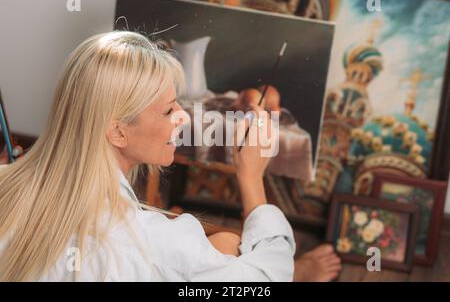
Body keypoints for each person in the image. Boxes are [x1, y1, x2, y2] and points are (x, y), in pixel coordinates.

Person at [0, 31, 340, 281]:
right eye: (168, 110)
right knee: (229, 246)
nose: (184, 116)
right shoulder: (150, 243)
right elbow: (264, 284)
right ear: (117, 131)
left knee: (222, 243)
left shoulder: (8, 182)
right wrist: (251, 179)